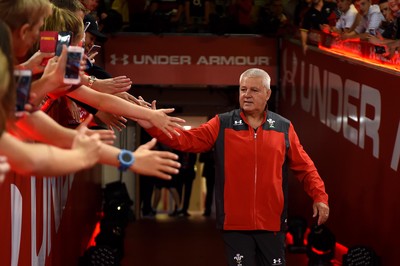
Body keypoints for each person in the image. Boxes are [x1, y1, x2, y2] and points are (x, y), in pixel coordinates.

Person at [138, 68, 330, 266]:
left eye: (254, 90)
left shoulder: (283, 127)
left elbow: (305, 167)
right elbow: (186, 140)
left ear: (267, 94)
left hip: (272, 224)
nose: (246, 95)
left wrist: (320, 197)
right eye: (243, 89)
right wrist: (151, 123)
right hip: (235, 226)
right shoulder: (222, 123)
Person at [199, 148, 215, 217]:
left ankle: (221, 210)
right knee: (209, 192)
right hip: (209, 172)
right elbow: (201, 159)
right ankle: (208, 210)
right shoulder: (206, 148)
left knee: (221, 192)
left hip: (218, 172)